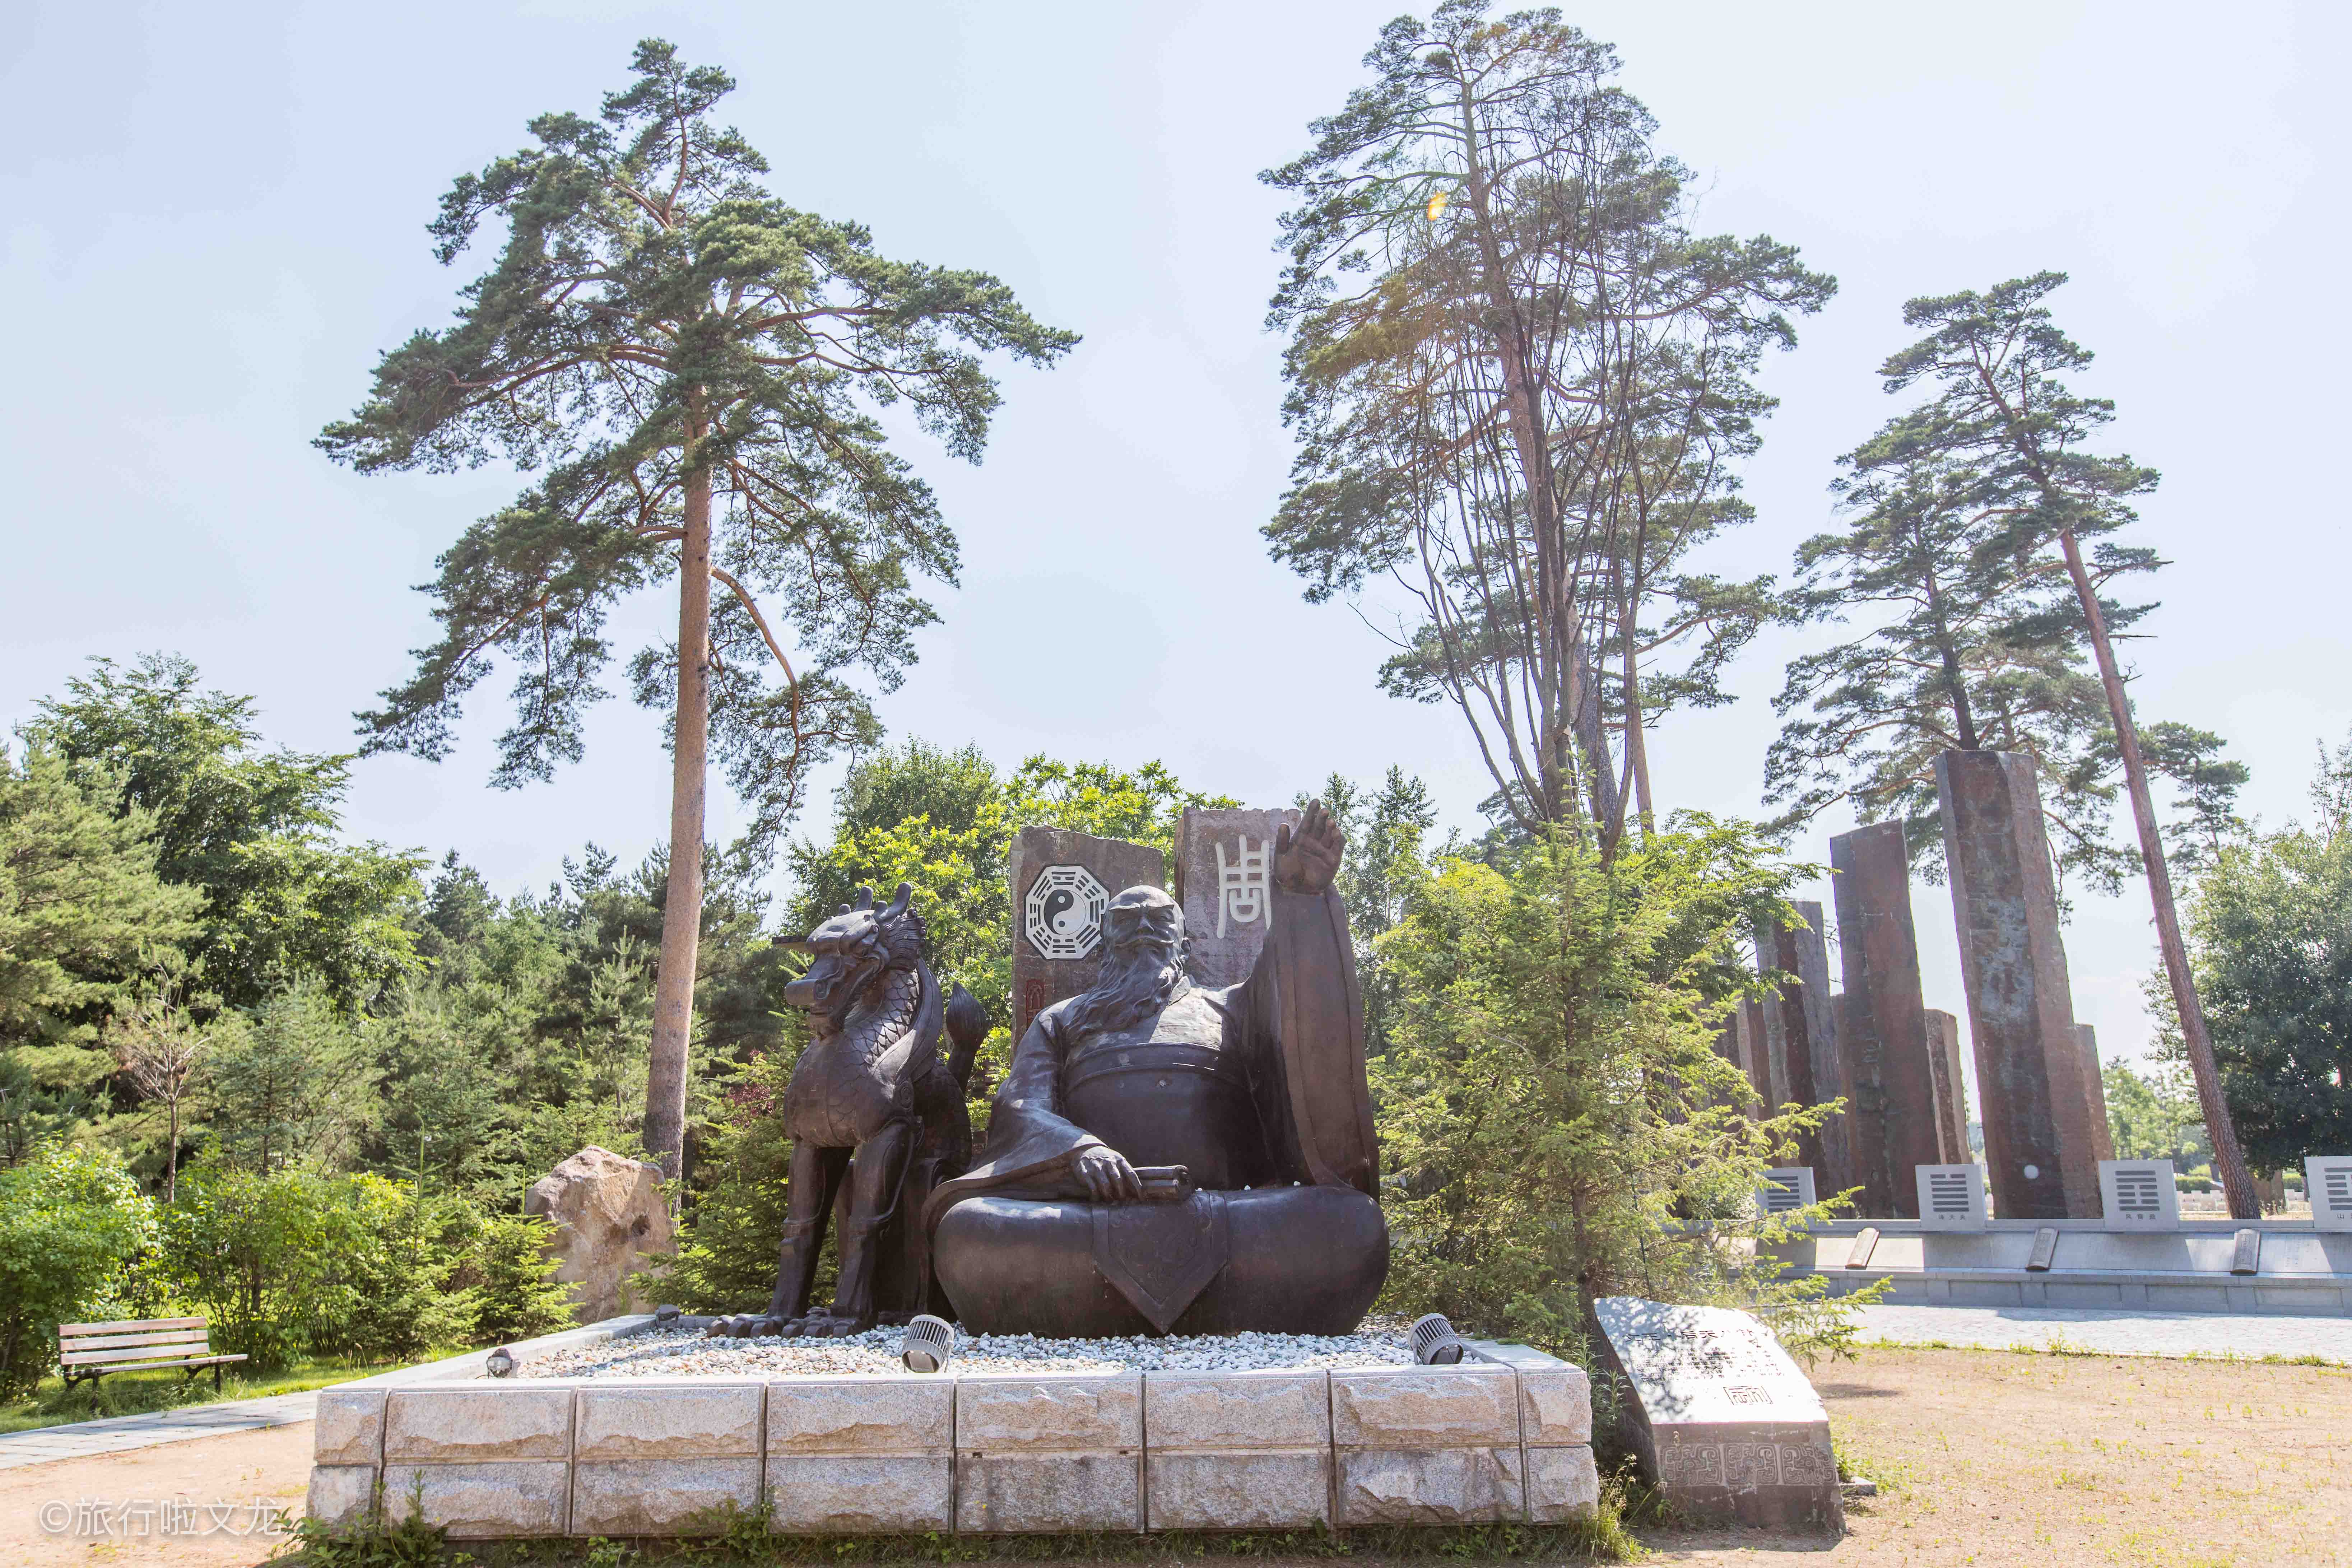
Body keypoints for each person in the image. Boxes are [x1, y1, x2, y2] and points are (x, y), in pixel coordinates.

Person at [924, 801, 1388, 1335]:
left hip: (1231, 1213)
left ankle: (1094, 1308)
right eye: (1127, 922)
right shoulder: (1063, 1021)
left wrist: (1300, 900)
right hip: (1087, 1216)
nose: (1144, 928)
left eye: (1159, 920)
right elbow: (1020, 1106)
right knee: (969, 1232)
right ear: (1104, 945)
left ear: (1183, 944)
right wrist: (1080, 1150)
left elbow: (1299, 1006)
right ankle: (1224, 1307)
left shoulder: (1234, 1009)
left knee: (1351, 1223)